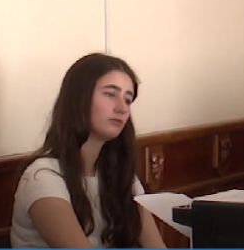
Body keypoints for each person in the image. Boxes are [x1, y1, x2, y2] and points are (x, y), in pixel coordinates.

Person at [10, 52, 166, 249]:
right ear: (79, 99)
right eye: (110, 94)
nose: (122, 108)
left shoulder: (121, 174)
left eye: (128, 99)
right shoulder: (43, 176)